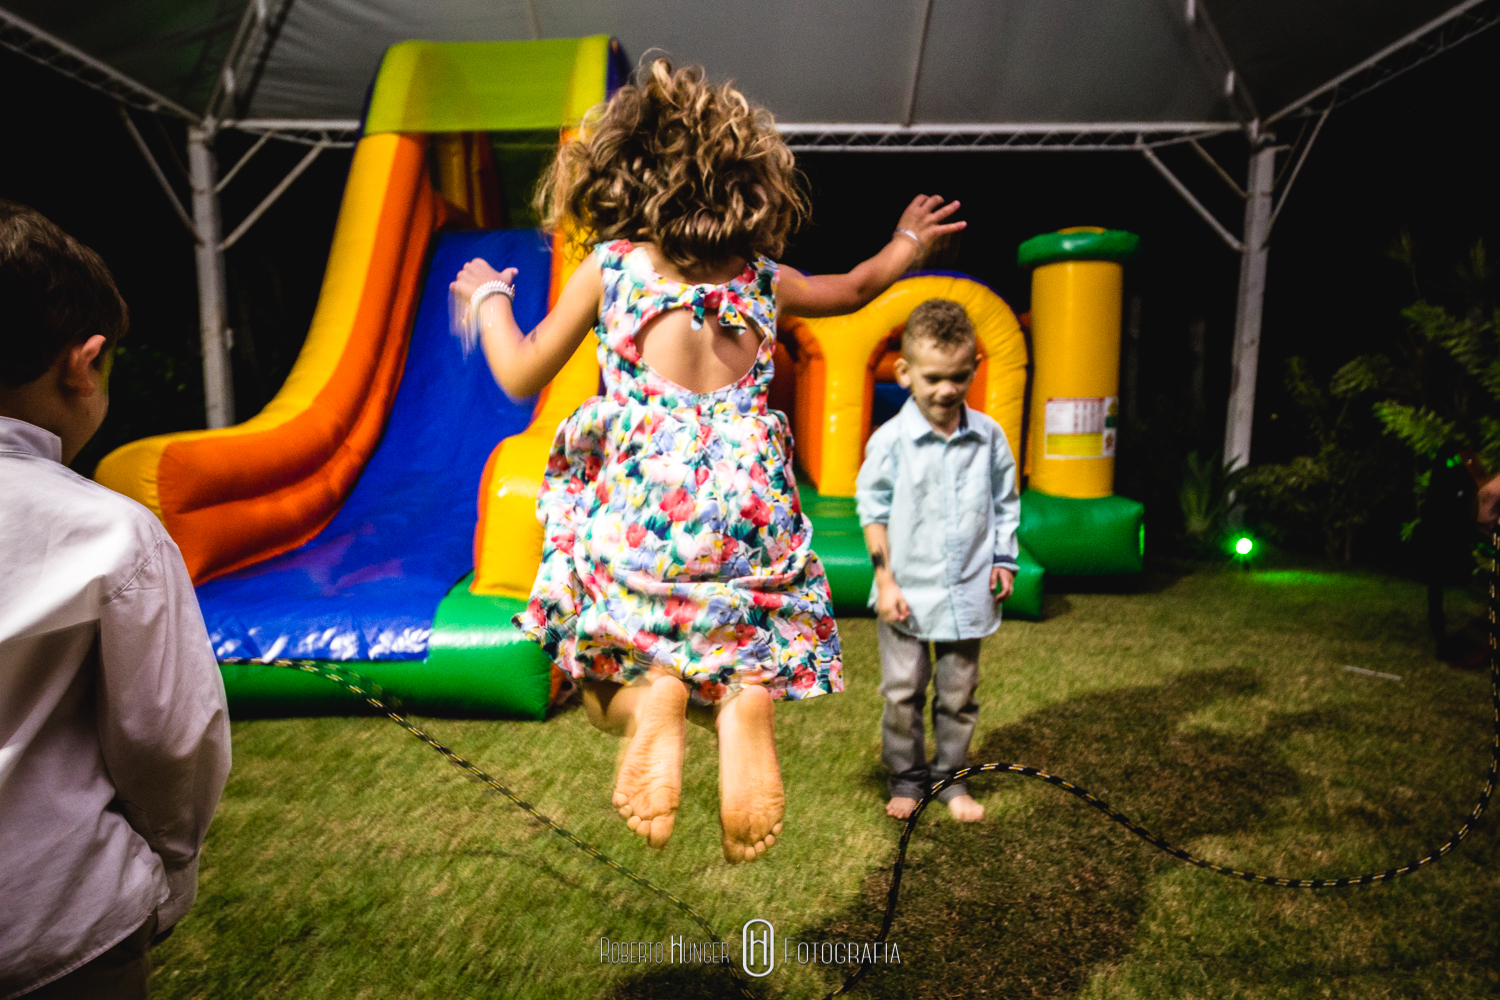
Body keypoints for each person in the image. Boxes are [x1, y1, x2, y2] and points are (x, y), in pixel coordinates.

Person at [450, 59, 964, 863]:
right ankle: (742, 705)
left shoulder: (614, 268)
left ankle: (651, 701)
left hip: (646, 502)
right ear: (748, 183)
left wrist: (488, 299)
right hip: (746, 504)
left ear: (624, 176)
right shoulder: (765, 280)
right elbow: (859, 286)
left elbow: (519, 375)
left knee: (596, 676)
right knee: (733, 659)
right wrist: (907, 241)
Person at [0, 201, 231, 999]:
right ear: (83, 362)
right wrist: (168, 871)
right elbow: (170, 741)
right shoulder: (111, 534)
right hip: (58, 929)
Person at [855, 299, 1020, 824]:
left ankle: (951, 781)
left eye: (959, 376)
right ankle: (906, 779)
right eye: (933, 378)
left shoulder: (990, 437)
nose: (947, 389)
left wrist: (1004, 560)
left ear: (973, 367)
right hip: (905, 592)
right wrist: (885, 581)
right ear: (904, 373)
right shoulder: (889, 442)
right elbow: (872, 510)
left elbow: (1005, 503)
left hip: (968, 589)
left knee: (959, 695)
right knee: (902, 692)